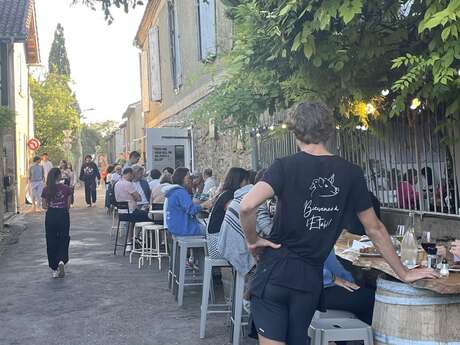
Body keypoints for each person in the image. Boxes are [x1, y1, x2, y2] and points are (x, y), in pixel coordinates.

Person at [239, 101, 438, 345]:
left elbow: (247, 205)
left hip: (275, 272)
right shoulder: (351, 173)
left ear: (295, 132)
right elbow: (374, 228)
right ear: (330, 131)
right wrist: (404, 273)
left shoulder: (284, 166)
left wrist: (252, 240)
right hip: (308, 281)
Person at [323, 250, 375, 325]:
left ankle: (360, 332)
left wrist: (346, 277)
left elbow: (333, 263)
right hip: (320, 291)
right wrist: (333, 278)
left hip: (326, 284)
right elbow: (307, 269)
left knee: (365, 288)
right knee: (373, 300)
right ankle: (366, 334)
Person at [41, 168, 71, 278]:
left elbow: (44, 206)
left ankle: (54, 268)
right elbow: (68, 206)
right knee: (64, 238)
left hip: (51, 216)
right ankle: (62, 260)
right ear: (58, 176)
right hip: (63, 215)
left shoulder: (46, 189)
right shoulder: (66, 188)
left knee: (51, 240)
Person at [164, 167, 212, 236]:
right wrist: (204, 205)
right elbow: (191, 210)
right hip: (184, 228)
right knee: (211, 231)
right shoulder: (181, 192)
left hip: (174, 228)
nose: (192, 180)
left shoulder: (173, 191)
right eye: (189, 178)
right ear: (183, 179)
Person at [114, 168, 151, 252]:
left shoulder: (117, 184)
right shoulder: (128, 184)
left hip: (121, 213)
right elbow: (138, 198)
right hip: (131, 213)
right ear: (130, 174)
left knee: (138, 216)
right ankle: (136, 240)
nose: (133, 177)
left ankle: (132, 240)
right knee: (149, 216)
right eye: (132, 175)